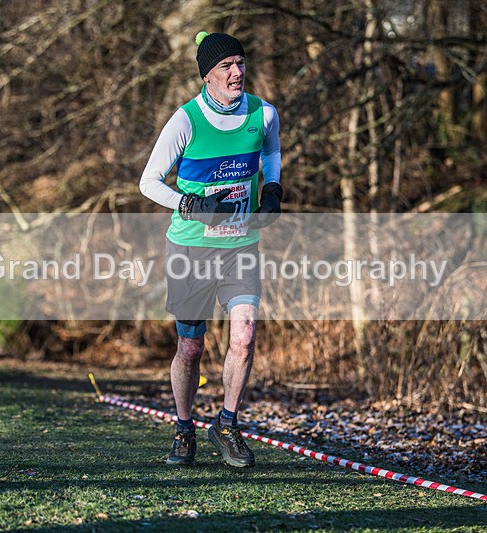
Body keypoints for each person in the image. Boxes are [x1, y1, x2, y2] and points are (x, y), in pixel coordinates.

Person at [139, 31, 282, 468]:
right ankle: (184, 430)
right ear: (207, 76)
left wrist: (272, 188)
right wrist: (190, 203)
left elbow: (271, 153)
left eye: (240, 62)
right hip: (192, 247)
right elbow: (148, 182)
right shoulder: (185, 121)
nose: (237, 72)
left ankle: (227, 423)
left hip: (241, 244)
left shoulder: (264, 113)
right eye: (226, 66)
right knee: (191, 348)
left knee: (245, 335)